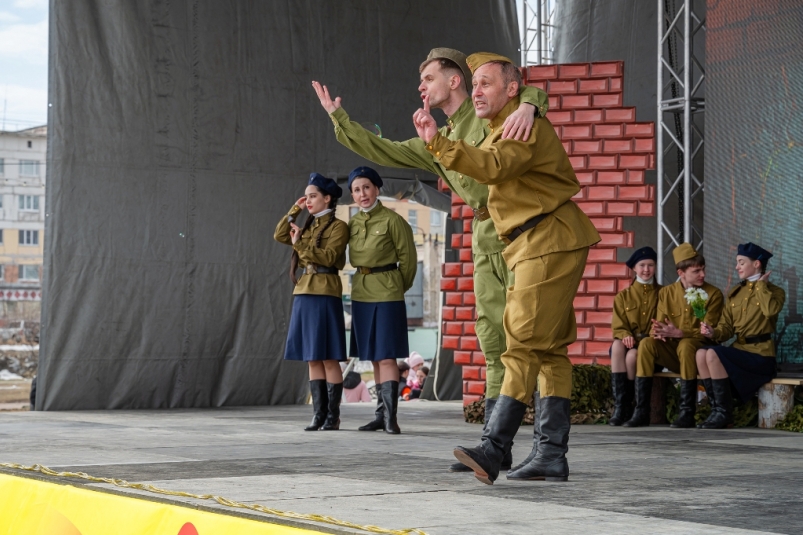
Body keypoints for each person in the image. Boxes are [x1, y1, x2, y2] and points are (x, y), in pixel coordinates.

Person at [313, 47, 549, 473]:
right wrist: (339, 118)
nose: (420, 87)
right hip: (483, 233)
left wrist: (533, 104)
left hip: (521, 231)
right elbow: (382, 150)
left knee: (531, 339)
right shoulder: (434, 139)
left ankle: (535, 446)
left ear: (454, 80)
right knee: (493, 339)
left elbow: (523, 94)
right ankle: (494, 445)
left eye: (428, 78)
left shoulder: (488, 114)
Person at [412, 52, 601, 484]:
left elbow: (494, 167)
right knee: (549, 350)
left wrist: (439, 144)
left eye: (485, 84)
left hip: (546, 239)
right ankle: (551, 455)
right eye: (473, 84)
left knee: (519, 342)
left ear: (511, 89)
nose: (476, 91)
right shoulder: (503, 122)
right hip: (538, 241)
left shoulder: (520, 123)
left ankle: (495, 448)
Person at [274, 173, 349, 431]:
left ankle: (332, 416)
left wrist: (300, 246)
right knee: (312, 358)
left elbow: (328, 258)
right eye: (306, 196)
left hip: (325, 292)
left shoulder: (339, 227)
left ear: (328, 198)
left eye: (313, 196)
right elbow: (279, 234)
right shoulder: (305, 225)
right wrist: (294, 209)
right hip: (304, 293)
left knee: (329, 357)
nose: (308, 200)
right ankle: (318, 414)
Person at [346, 166, 417, 434]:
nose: (362, 194)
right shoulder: (353, 222)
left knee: (386, 356)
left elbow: (408, 261)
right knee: (374, 358)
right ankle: (380, 414)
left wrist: (397, 286)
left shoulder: (392, 220)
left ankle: (391, 418)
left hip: (387, 292)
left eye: (366, 187)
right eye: (356, 189)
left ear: (376, 188)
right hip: (362, 292)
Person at [623, 243, 724, 428]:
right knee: (646, 344)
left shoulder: (713, 294)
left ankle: (687, 412)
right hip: (673, 353)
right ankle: (641, 411)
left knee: (686, 344)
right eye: (696, 271)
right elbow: (660, 324)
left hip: (697, 354)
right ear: (681, 273)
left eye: (703, 269)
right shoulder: (666, 293)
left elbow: (709, 331)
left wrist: (681, 332)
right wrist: (659, 333)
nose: (703, 275)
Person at [697, 243, 785, 429]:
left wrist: (761, 286)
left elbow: (769, 311)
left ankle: (724, 413)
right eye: (737, 262)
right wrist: (713, 332)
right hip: (740, 351)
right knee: (701, 354)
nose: (737, 267)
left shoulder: (775, 292)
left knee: (712, 354)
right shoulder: (735, 293)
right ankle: (716, 410)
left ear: (757, 264)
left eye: (741, 262)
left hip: (761, 356)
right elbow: (726, 328)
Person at [608, 246, 660, 426]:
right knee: (617, 345)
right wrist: (624, 335)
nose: (646, 270)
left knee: (633, 356)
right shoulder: (624, 296)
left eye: (651, 265)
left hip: (651, 346)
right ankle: (621, 406)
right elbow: (618, 325)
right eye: (642, 265)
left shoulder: (663, 293)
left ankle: (634, 407)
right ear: (634, 269)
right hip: (629, 342)